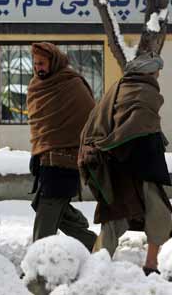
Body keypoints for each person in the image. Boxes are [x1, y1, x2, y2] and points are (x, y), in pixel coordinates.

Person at [79, 51, 172, 276]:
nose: (158, 75)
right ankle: (148, 265)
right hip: (137, 164)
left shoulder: (119, 86)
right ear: (149, 72)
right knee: (158, 214)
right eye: (157, 71)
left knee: (116, 216)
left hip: (117, 162)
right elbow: (135, 126)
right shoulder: (146, 90)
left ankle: (100, 266)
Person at [27, 42, 97, 252]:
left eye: (42, 63)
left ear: (54, 62)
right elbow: (41, 123)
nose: (38, 67)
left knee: (47, 210)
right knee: (47, 206)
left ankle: (38, 260)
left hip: (66, 160)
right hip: (45, 159)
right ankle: (92, 244)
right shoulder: (37, 85)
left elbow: (89, 119)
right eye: (35, 63)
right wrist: (39, 150)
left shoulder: (71, 84)